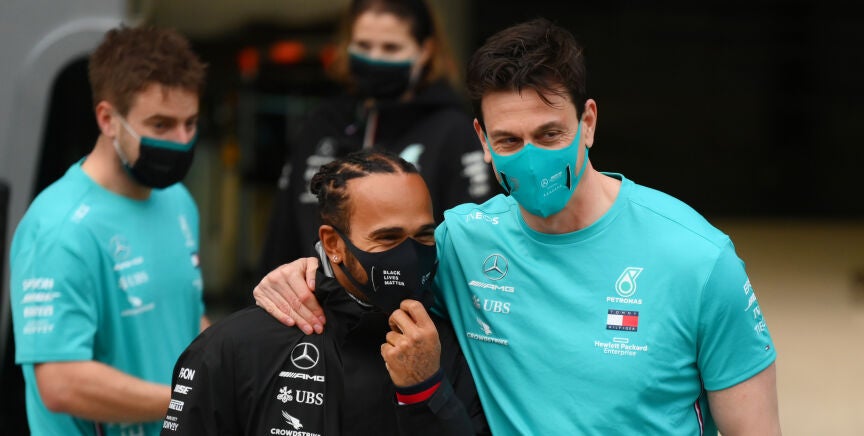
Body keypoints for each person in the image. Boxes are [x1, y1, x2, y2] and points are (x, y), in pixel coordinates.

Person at [253, 18, 782, 435]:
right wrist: (303, 272)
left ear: (588, 123)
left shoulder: (697, 259)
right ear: (482, 140)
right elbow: (369, 272)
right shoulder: (460, 243)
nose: (531, 158)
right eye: (508, 141)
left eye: (550, 135)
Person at [161, 150, 488, 435]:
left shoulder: (453, 348)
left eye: (424, 235)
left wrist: (426, 391)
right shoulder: (236, 346)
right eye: (388, 238)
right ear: (333, 244)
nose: (409, 255)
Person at [9, 25, 208, 436]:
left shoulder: (177, 201)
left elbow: (184, 317)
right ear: (108, 119)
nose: (181, 140)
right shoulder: (60, 229)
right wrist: (189, 399)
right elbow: (61, 383)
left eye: (190, 123)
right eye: (161, 125)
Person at [259, 0, 495, 274]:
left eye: (390, 48)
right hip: (311, 298)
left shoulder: (453, 131)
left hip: (413, 299)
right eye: (363, 46)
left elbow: (472, 246)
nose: (374, 58)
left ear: (425, 51)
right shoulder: (321, 124)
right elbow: (283, 235)